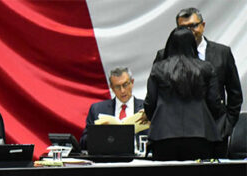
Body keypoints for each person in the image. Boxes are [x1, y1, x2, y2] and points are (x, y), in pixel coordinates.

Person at [154, 7, 242, 156]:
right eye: (184, 27)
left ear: (203, 25)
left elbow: (235, 94)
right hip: (175, 136)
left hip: (215, 133)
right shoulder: (164, 55)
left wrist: (226, 125)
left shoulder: (222, 53)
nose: (190, 31)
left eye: (193, 25)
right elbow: (156, 95)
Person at [145, 28, 224, 161]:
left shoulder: (158, 68)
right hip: (201, 133)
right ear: (193, 45)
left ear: (170, 44)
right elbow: (214, 103)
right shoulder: (206, 68)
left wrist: (158, 120)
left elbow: (150, 103)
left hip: (163, 134)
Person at [80, 67, 145, 149]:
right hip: (109, 158)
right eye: (117, 87)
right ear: (111, 87)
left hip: (139, 159)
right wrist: (99, 132)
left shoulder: (147, 108)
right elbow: (83, 143)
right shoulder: (97, 109)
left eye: (125, 85)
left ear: (132, 83)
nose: (122, 91)